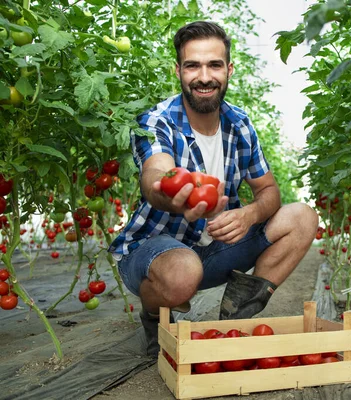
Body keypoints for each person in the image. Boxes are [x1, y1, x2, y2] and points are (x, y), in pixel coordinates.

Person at [108, 21, 318, 358]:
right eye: (193, 65)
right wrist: (171, 195)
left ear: (229, 69)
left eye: (214, 65)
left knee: (304, 217)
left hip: (218, 248)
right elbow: (154, 176)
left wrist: (249, 214)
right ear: (178, 70)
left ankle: (237, 312)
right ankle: (153, 312)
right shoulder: (156, 121)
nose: (204, 76)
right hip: (153, 253)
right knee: (182, 272)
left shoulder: (240, 123)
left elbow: (269, 191)